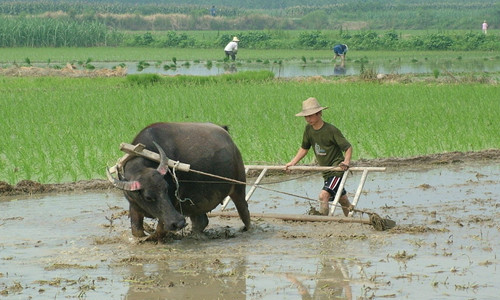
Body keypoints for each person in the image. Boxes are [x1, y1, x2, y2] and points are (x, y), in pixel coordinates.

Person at [285, 97, 353, 216]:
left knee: (323, 195)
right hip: (325, 171)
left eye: (311, 116)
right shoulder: (308, 130)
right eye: (306, 116)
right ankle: (351, 219)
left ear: (319, 113)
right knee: (342, 198)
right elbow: (304, 148)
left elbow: (348, 147)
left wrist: (346, 162)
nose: (308, 119)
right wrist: (292, 162)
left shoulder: (331, 130)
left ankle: (323, 222)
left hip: (336, 169)